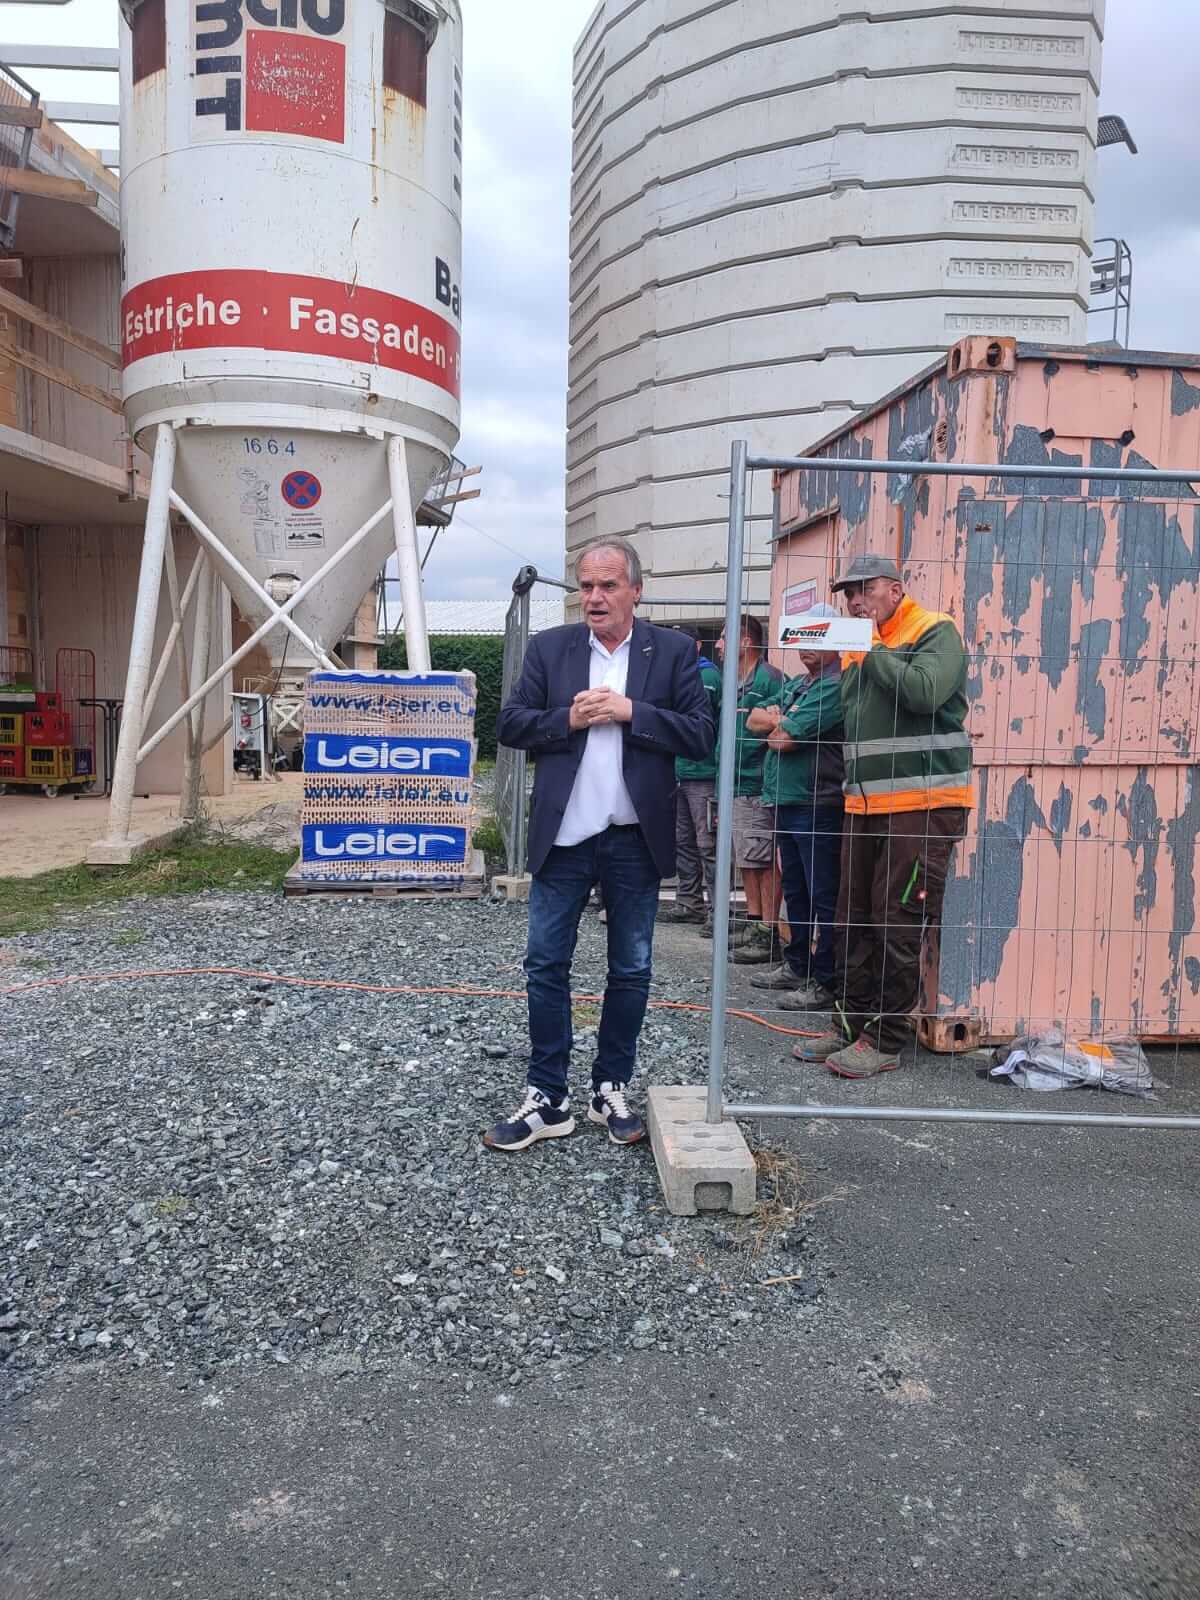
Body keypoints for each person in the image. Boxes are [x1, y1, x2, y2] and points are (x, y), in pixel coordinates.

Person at [487, 537, 715, 1152]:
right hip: (564, 839)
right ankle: (548, 1096)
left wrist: (631, 711)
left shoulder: (671, 652)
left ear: (636, 591)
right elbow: (510, 724)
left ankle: (609, 1085)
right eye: (586, 585)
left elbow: (700, 735)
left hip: (633, 839)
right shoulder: (549, 649)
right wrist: (569, 719)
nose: (594, 597)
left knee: (632, 968)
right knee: (544, 964)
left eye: (608, 585)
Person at [794, 555, 973, 1079]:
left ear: (895, 590)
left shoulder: (933, 630)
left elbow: (922, 692)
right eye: (848, 593)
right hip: (864, 804)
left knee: (898, 920)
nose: (854, 601)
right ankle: (850, 1025)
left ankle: (887, 1038)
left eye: (864, 590)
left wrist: (870, 647)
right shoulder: (857, 647)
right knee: (852, 918)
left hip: (921, 806)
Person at [746, 603, 845, 1008]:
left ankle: (825, 979)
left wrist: (779, 721)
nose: (806, 646)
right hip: (787, 800)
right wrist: (779, 720)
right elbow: (753, 721)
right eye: (802, 636)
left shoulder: (833, 686)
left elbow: (782, 739)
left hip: (816, 801)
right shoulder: (802, 685)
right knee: (796, 888)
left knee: (822, 892)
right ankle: (797, 963)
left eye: (816, 637)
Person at [708, 614, 783, 964]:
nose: (719, 645)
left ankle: (768, 931)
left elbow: (776, 726)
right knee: (748, 859)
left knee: (761, 858)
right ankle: (755, 921)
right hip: (735, 783)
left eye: (725, 638)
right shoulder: (731, 681)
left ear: (746, 641)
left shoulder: (769, 680)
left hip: (755, 781)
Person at [659, 627, 721, 927]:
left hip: (703, 773)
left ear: (697, 645)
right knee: (683, 841)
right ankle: (689, 903)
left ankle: (718, 912)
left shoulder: (707, 677)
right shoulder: (676, 675)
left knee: (707, 843)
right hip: (680, 771)